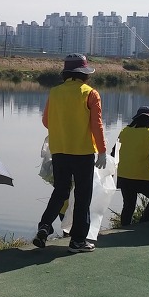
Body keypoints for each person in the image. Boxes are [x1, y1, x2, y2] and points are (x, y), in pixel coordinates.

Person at [33, 53, 107, 253]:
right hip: (83, 153)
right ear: (84, 74)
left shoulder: (55, 92)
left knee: (60, 192)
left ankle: (45, 226)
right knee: (83, 197)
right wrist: (102, 151)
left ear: (66, 73)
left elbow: (46, 121)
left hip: (59, 151)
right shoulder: (90, 93)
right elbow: (97, 125)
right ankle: (77, 242)